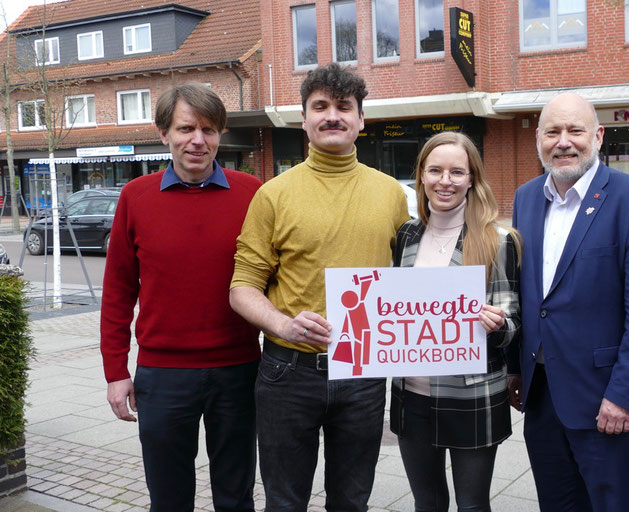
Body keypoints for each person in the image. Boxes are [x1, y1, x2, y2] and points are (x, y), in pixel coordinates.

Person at [229, 63, 409, 511]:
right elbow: (242, 287)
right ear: (303, 119)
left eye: (344, 107)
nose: (333, 116)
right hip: (288, 373)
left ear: (361, 119)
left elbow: (409, 280)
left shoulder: (391, 195)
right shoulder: (273, 194)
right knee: (284, 502)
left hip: (363, 374)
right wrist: (283, 324)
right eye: (321, 106)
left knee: (352, 501)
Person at [507, 92, 629, 511]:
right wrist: (516, 369)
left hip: (608, 402)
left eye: (575, 130)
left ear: (598, 136)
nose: (563, 141)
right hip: (543, 397)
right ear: (539, 141)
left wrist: (624, 396)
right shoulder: (526, 198)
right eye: (552, 132)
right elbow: (528, 296)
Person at [100, 83, 262, 512]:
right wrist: (116, 371)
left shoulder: (253, 193)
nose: (197, 140)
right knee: (169, 499)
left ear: (220, 135)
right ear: (164, 133)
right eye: (186, 128)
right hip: (162, 374)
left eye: (208, 130)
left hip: (239, 371)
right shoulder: (135, 197)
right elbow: (118, 289)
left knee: (236, 495)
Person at [389, 132, 521, 512]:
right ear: (422, 177)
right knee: (426, 504)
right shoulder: (407, 235)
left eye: (456, 172)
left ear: (472, 179)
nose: (445, 180)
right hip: (411, 396)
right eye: (435, 170)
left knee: (472, 505)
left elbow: (513, 323)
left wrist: (496, 325)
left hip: (472, 395)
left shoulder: (498, 240)